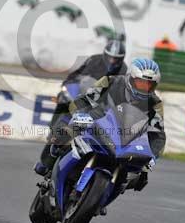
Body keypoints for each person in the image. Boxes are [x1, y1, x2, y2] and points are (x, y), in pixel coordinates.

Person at [35, 58, 166, 191]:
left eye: (149, 84)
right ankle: (48, 165)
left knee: (138, 177)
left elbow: (158, 134)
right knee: (63, 134)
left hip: (126, 137)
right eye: (140, 82)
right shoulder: (111, 81)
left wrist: (150, 160)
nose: (144, 87)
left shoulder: (155, 104)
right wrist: (79, 114)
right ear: (130, 78)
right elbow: (86, 99)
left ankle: (106, 193)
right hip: (96, 120)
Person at [35, 38, 127, 173]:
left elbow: (120, 89)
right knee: (63, 105)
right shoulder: (94, 60)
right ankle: (47, 157)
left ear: (121, 59)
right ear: (105, 54)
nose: (112, 61)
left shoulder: (123, 70)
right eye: (110, 57)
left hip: (100, 106)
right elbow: (78, 73)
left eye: (116, 59)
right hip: (83, 99)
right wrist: (67, 84)